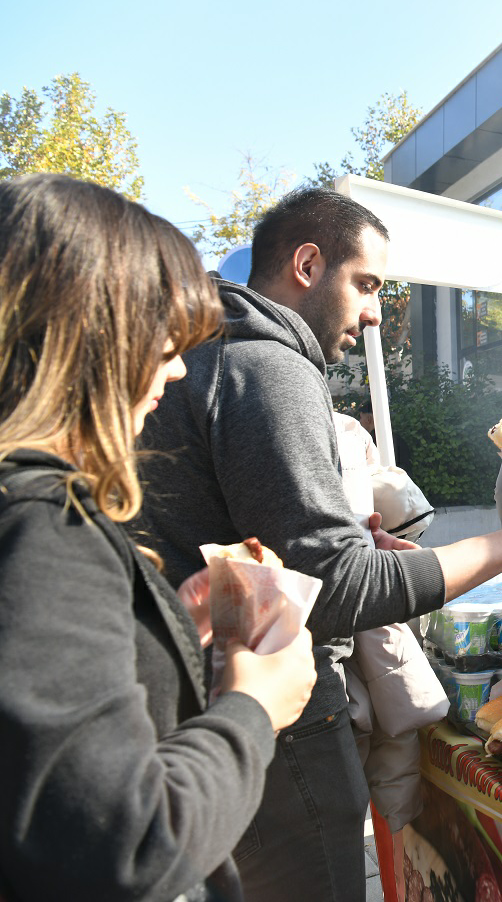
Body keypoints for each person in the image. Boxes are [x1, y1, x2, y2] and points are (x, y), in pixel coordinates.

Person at [136, 185, 502, 902]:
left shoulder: (214, 354)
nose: (376, 312)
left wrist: (351, 541)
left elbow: (275, 540)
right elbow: (335, 587)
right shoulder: (268, 364)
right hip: (273, 723)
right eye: (368, 284)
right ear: (307, 264)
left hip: (205, 707)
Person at [0, 174, 317, 900]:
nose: (175, 371)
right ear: (89, 339)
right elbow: (124, 844)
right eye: (166, 343)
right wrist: (255, 708)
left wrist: (163, 619)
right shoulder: (45, 526)